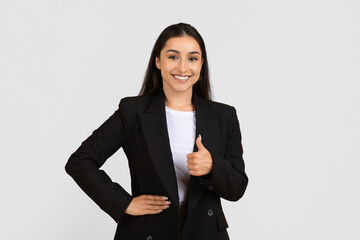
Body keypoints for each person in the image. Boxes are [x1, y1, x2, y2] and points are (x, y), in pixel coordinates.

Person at [65, 22, 248, 240]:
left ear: (201, 65)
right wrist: (124, 203)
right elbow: (80, 161)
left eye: (192, 58)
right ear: (158, 61)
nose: (182, 67)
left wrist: (212, 167)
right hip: (148, 231)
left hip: (205, 232)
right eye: (173, 57)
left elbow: (237, 188)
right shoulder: (133, 111)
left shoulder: (224, 116)